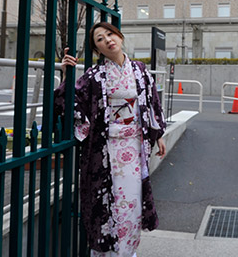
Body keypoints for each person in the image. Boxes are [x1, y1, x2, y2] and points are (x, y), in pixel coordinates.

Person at [54, 22, 167, 256]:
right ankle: (106, 252)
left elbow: (152, 103)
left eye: (110, 34)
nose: (107, 40)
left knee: (132, 202)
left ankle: (128, 251)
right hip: (107, 150)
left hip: (134, 148)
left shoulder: (140, 70)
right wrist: (66, 75)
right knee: (108, 202)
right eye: (100, 39)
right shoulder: (94, 76)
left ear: (119, 36)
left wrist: (159, 136)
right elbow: (73, 103)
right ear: (97, 50)